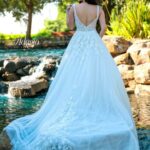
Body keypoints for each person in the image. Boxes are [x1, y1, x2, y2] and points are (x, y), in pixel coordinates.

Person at [2, 0, 140, 149]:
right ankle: (92, 105)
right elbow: (104, 27)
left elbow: (71, 27)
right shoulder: (99, 8)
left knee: (74, 74)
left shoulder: (73, 7)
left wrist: (70, 13)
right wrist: (96, 39)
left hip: (78, 41)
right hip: (93, 40)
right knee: (96, 74)